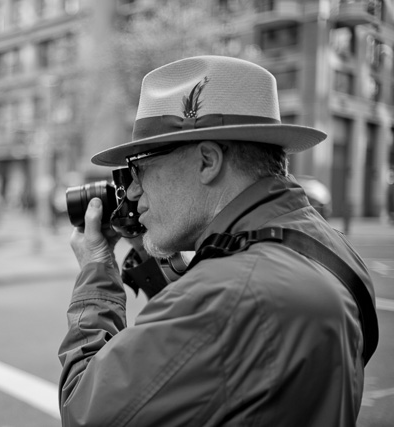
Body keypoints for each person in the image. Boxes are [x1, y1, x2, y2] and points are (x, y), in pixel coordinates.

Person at [59, 56, 377, 426]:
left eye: (139, 167)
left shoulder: (226, 295)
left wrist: (97, 271)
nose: (130, 188)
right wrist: (149, 248)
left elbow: (85, 412)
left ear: (207, 161)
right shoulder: (327, 246)